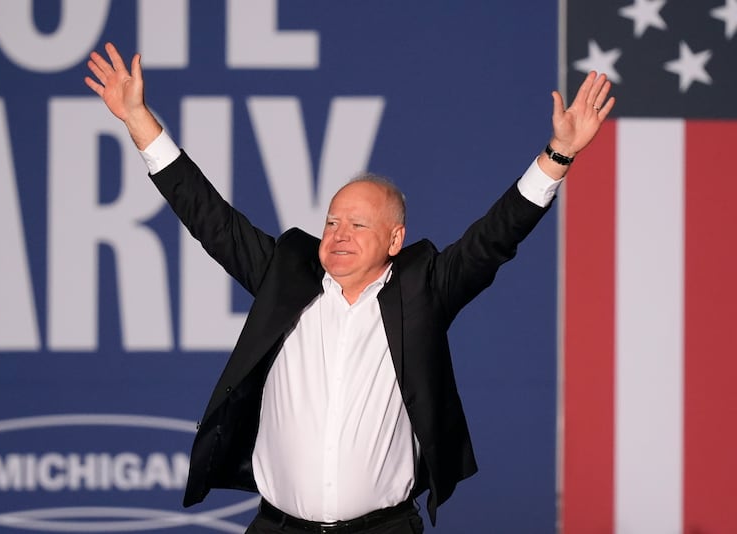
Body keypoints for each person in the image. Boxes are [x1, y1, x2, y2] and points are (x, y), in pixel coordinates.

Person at [85, 42, 613, 533]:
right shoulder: (284, 276)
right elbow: (209, 217)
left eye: (358, 226)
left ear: (394, 239)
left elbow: (494, 238)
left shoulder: (422, 290)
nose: (338, 235)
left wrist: (559, 154)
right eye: (332, 222)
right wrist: (138, 119)